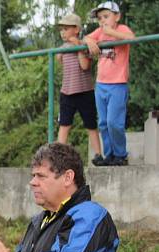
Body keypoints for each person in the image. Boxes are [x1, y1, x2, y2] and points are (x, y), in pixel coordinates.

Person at [84, 1, 135, 166]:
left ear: (117, 16)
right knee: (103, 123)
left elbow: (131, 38)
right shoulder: (99, 31)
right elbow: (86, 38)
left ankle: (121, 154)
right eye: (99, 18)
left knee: (114, 122)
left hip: (118, 84)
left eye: (106, 16)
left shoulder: (121, 29)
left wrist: (112, 32)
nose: (102, 21)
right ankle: (109, 154)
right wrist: (90, 42)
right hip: (101, 84)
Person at [56, 13, 104, 164]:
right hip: (67, 92)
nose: (62, 32)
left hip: (84, 91)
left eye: (66, 29)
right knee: (64, 124)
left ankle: (98, 154)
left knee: (90, 124)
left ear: (76, 29)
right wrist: (61, 53)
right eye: (61, 29)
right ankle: (58, 156)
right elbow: (60, 61)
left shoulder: (84, 45)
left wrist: (78, 47)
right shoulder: (62, 48)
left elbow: (84, 66)